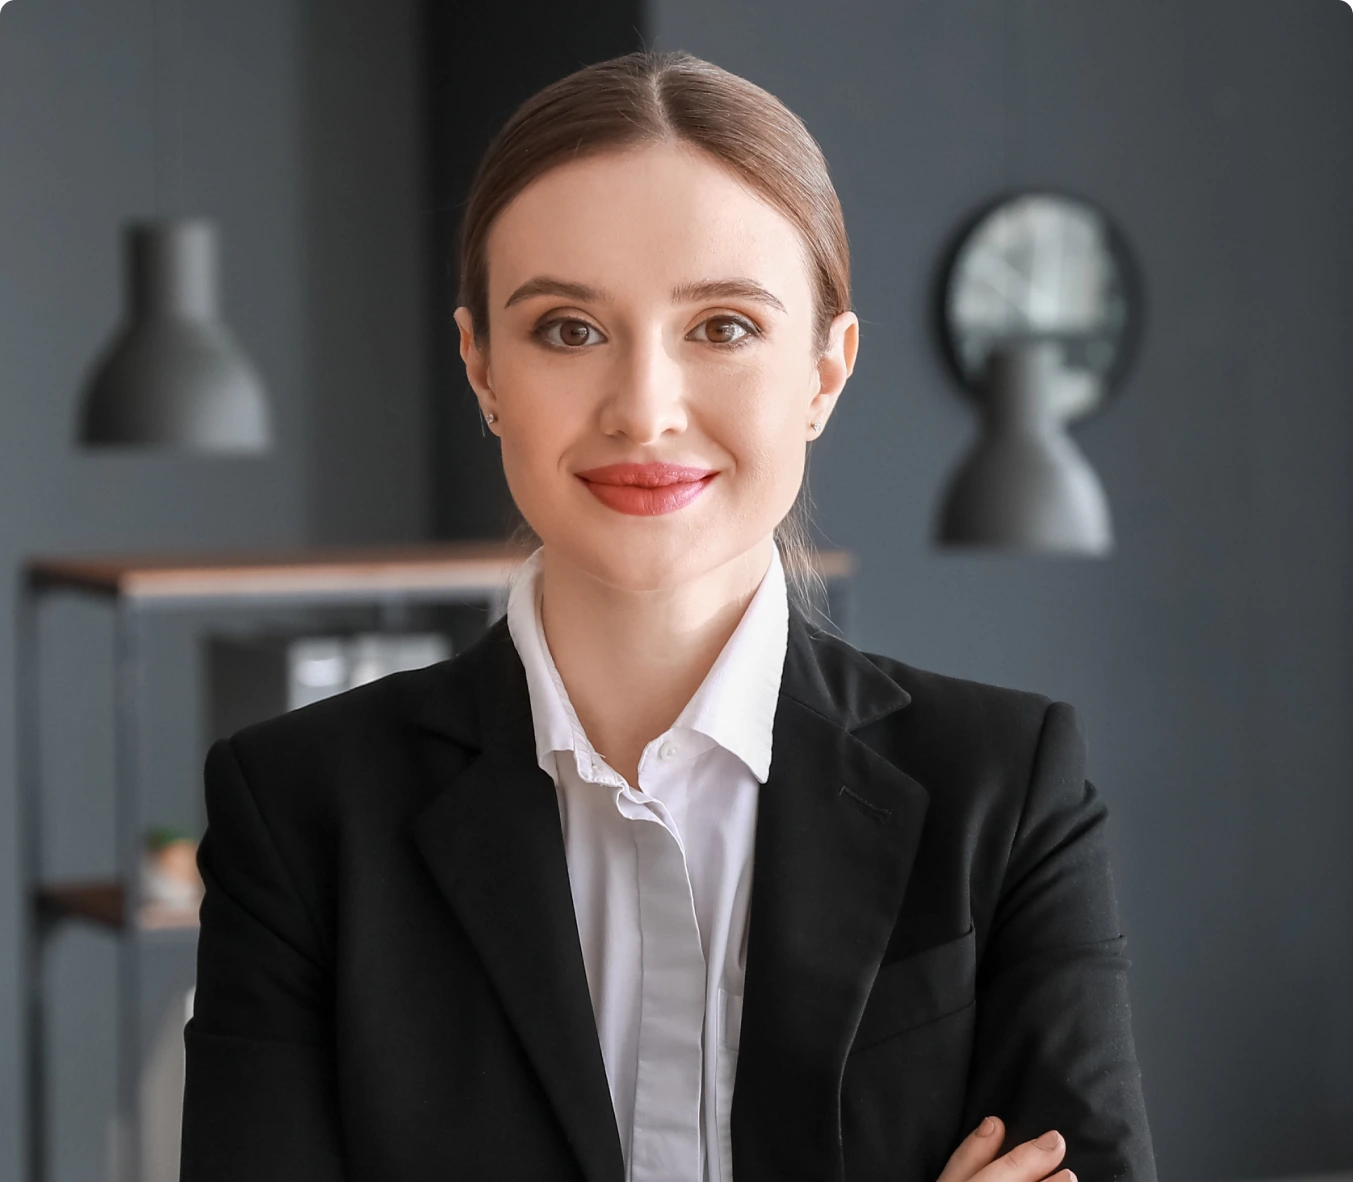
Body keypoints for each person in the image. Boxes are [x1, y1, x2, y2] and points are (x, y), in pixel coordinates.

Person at [179, 49, 1156, 1182]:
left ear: (825, 373)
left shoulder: (1008, 787)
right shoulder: (299, 813)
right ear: (481, 365)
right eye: (568, 330)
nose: (645, 409)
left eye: (725, 327)